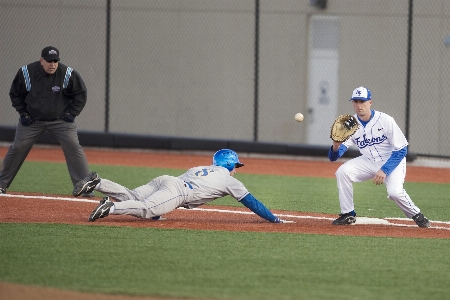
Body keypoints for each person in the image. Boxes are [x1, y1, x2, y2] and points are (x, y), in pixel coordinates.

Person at [73, 149, 294, 223]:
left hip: (168, 180)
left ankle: (99, 182)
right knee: (146, 209)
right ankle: (109, 208)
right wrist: (273, 218)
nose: (236, 168)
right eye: (235, 164)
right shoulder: (229, 180)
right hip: (179, 192)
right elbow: (252, 202)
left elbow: (169, 188)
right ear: (229, 164)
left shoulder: (200, 168)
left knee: (132, 196)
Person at [328, 86, 430, 228]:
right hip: (369, 161)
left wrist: (385, 170)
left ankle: (417, 215)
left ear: (370, 102)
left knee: (395, 192)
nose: (359, 105)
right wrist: (336, 146)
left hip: (392, 160)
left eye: (362, 101)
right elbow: (334, 157)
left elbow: (401, 150)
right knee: (342, 172)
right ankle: (348, 214)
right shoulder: (351, 125)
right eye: (355, 101)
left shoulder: (385, 120)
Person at [0, 46, 93, 197]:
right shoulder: (26, 72)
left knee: (73, 146)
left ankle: (85, 188)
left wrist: (71, 114)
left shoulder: (67, 73)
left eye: (56, 61)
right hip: (32, 120)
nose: (53, 64)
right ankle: (1, 184)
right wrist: (23, 113)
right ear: (41, 60)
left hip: (60, 121)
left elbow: (81, 94)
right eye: (49, 61)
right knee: (18, 147)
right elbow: (15, 94)